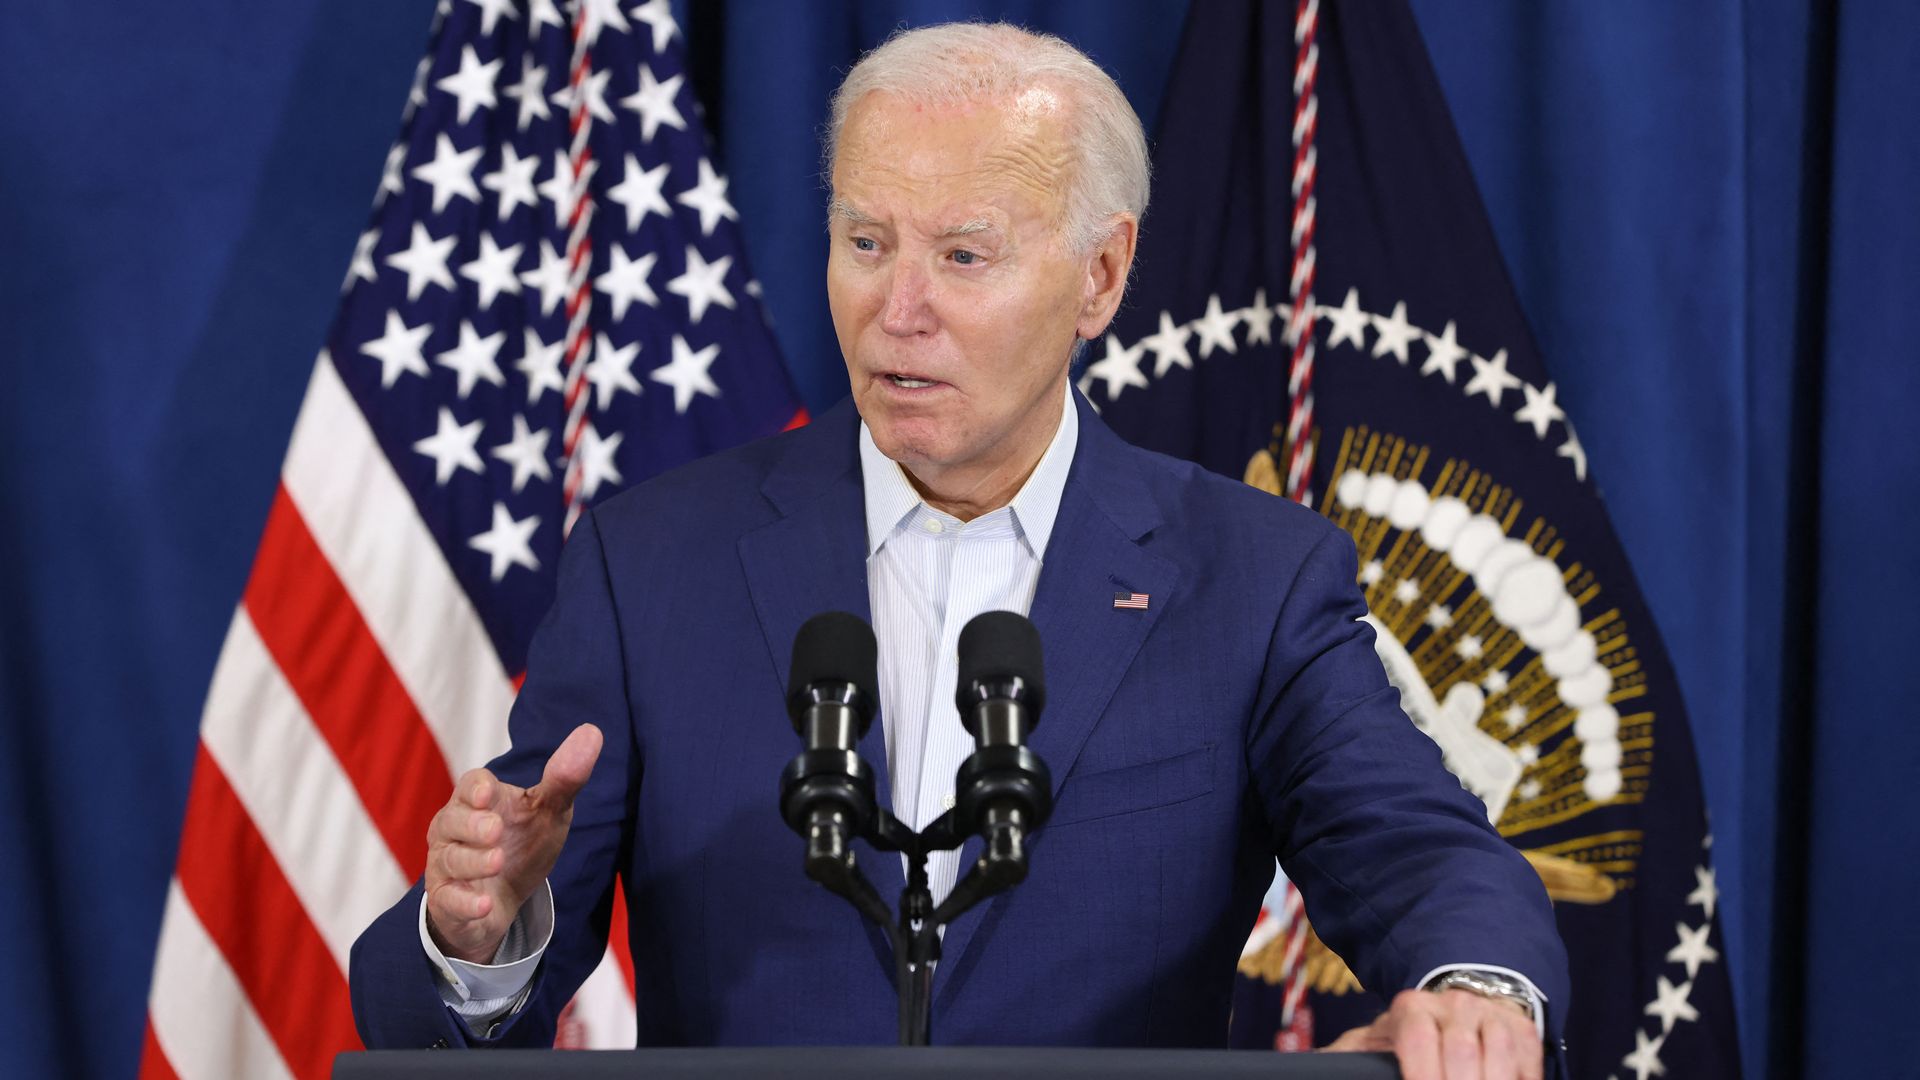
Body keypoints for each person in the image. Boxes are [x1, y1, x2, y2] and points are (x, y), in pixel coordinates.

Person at [349, 23, 1569, 1080]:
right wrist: (477, 932)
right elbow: (444, 1024)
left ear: (1101, 275)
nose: (900, 307)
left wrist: (1479, 990)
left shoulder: (1253, 578)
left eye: (964, 255)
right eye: (866, 241)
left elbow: (1422, 854)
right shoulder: (650, 563)